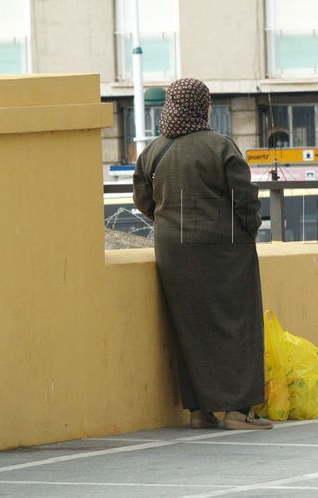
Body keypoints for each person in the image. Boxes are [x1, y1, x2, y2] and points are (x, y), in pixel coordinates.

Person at [133, 78, 272, 430]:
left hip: (172, 253)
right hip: (223, 251)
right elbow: (244, 199)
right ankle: (238, 412)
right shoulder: (220, 146)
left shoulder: (153, 151)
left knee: (190, 327)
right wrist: (247, 232)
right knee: (236, 324)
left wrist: (171, 224)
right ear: (203, 107)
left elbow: (143, 201)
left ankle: (200, 410)